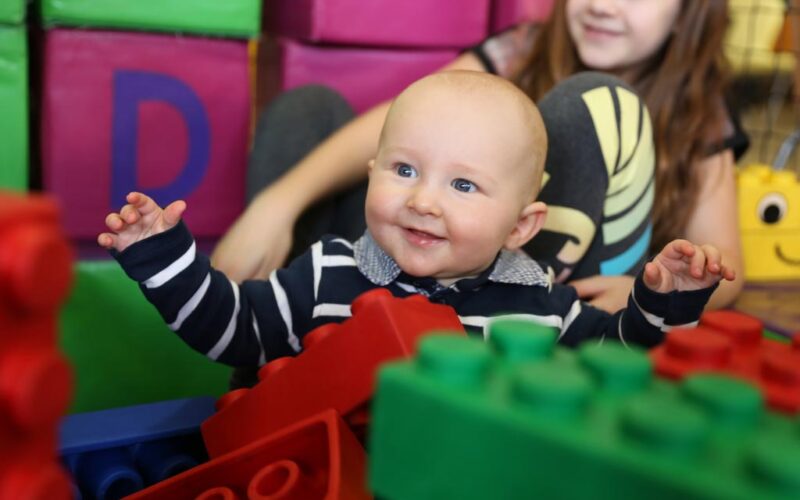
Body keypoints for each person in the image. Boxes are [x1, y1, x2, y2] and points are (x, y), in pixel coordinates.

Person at [99, 71, 735, 370]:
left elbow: (621, 353)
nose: (423, 201)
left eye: (462, 185)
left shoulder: (539, 300)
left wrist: (663, 300)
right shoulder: (327, 274)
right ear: (372, 171)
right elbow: (233, 329)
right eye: (403, 170)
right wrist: (164, 257)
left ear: (521, 226)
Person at [211, 0, 747, 316]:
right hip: (401, 261)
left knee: (588, 103)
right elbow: (406, 123)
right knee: (309, 109)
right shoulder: (523, 49)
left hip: (524, 303)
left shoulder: (698, 113)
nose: (604, 6)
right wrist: (277, 205)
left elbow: (728, 265)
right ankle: (285, 319)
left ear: (688, 13)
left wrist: (646, 290)